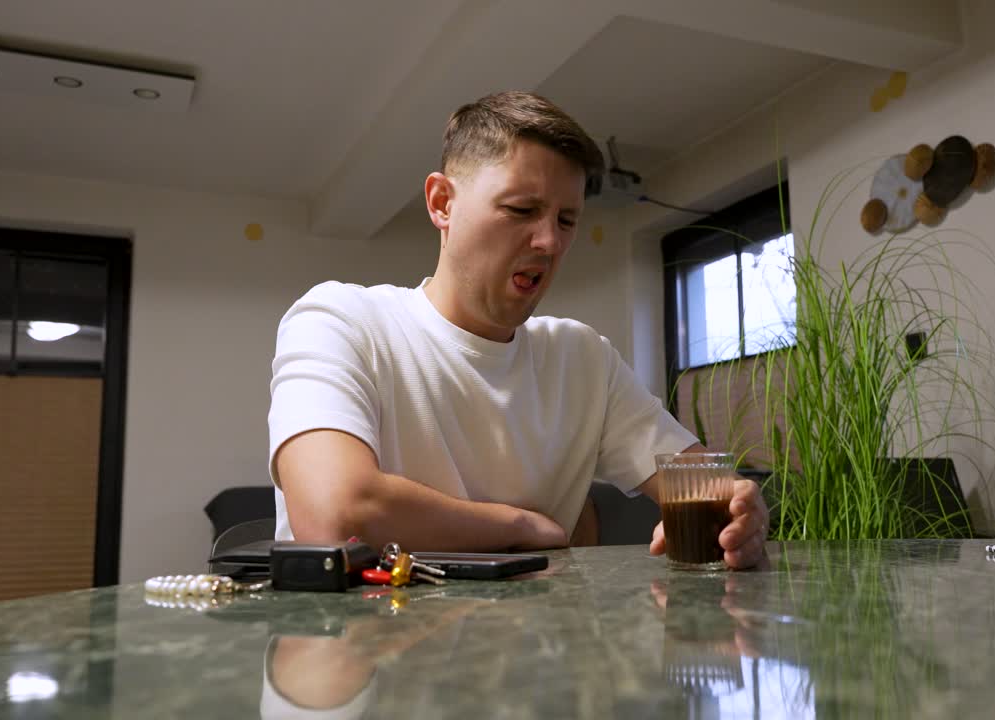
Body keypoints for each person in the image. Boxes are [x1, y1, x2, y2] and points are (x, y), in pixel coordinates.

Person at [267, 90, 768, 568]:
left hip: (531, 653)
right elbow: (334, 514)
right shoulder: (338, 321)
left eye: (567, 219)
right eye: (521, 210)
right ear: (442, 203)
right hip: (358, 650)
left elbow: (704, 486)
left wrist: (740, 508)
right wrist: (524, 527)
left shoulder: (583, 357)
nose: (549, 241)